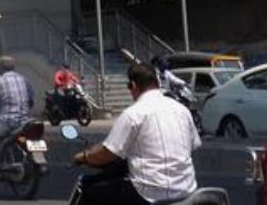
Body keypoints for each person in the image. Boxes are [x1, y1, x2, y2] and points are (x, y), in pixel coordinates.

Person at [70, 62, 201, 204]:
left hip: (149, 194)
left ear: (133, 85)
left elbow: (107, 153)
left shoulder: (133, 114)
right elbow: (194, 145)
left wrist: (83, 157)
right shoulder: (182, 110)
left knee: (87, 189)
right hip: (186, 191)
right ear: (157, 83)